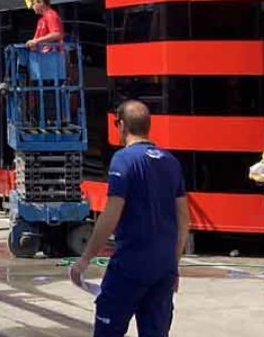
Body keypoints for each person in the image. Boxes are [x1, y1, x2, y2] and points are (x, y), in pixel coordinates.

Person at [71, 100, 189, 337]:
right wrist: (173, 267)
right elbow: (184, 219)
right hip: (163, 267)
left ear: (122, 126)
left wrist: (85, 258)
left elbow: (111, 214)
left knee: (108, 329)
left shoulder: (123, 160)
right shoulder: (171, 163)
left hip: (130, 265)